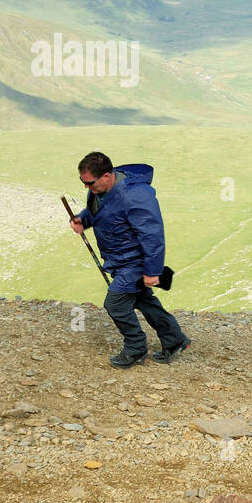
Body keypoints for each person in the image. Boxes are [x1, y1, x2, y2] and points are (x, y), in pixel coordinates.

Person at [70, 152, 191, 368]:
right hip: (119, 259)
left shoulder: (135, 195)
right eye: (83, 182)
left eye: (89, 183)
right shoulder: (101, 190)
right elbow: (97, 212)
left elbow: (152, 234)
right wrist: (83, 219)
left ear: (107, 176)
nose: (86, 188)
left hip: (134, 263)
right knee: (142, 300)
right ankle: (175, 340)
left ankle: (136, 349)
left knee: (115, 304)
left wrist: (152, 271)